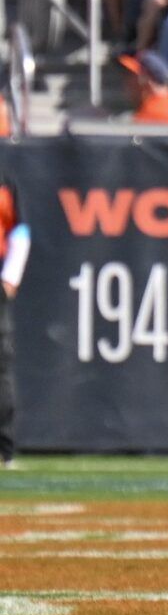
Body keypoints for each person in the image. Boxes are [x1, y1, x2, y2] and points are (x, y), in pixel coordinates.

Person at [0, 173, 25, 469]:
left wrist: (11, 276)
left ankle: (4, 449)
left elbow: (21, 231)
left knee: (0, 367)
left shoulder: (6, 182)